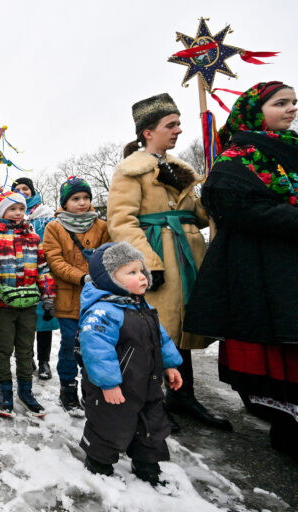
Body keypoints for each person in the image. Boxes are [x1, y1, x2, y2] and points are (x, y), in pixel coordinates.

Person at [184, 81, 298, 454]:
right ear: (254, 111)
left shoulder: (292, 148)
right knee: (280, 346)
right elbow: (231, 206)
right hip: (266, 265)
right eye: (281, 103)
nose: (291, 109)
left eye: (294, 102)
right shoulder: (237, 157)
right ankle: (286, 427)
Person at [108, 93, 231, 431]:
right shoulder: (130, 171)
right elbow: (121, 221)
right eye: (171, 124)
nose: (178, 129)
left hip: (188, 256)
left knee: (182, 329)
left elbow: (199, 217)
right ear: (148, 131)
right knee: (155, 332)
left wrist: (215, 192)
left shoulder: (180, 170)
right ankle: (152, 401)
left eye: (179, 123)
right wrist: (146, 264)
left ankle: (183, 395)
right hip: (157, 256)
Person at [78, 242, 183, 486]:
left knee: (152, 422)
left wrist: (170, 365)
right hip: (114, 386)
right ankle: (99, 461)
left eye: (141, 271)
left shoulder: (143, 305)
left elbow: (161, 338)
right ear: (110, 279)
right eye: (131, 273)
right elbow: (96, 351)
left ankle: (147, 461)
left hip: (147, 381)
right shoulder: (103, 311)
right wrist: (108, 383)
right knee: (109, 423)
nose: (142, 277)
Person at [0, 190, 56, 418]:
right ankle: (5, 392)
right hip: (4, 306)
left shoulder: (34, 238)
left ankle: (26, 392)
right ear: (3, 210)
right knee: (4, 349)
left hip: (28, 304)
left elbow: (43, 269)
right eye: (12, 208)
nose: (17, 213)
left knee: (26, 350)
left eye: (21, 209)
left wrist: (48, 297)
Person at [42, 176, 110, 415]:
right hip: (68, 297)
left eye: (86, 198)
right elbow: (54, 259)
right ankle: (68, 390)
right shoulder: (54, 227)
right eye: (75, 198)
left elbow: (109, 256)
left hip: (97, 299)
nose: (82, 203)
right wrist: (82, 277)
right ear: (65, 202)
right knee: (70, 345)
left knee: (94, 346)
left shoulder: (102, 226)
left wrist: (99, 277)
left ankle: (91, 391)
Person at [11, 177, 59, 381]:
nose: (22, 191)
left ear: (32, 191)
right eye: (17, 189)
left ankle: (44, 361)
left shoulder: (45, 215)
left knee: (44, 319)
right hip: (17, 273)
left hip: (41, 270)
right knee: (23, 318)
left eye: (25, 188)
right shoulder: (9, 213)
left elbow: (52, 241)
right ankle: (26, 356)